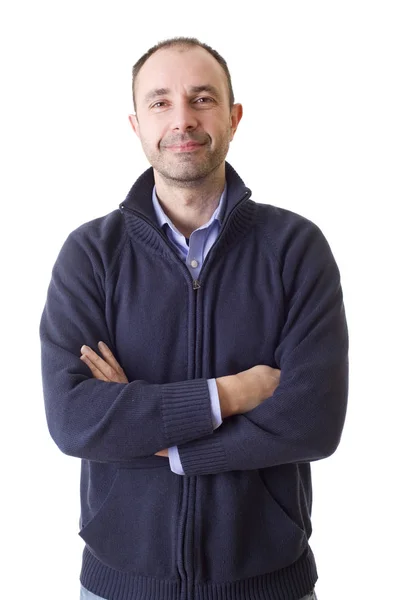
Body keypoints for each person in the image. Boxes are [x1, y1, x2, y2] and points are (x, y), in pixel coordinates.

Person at [39, 36, 348, 600]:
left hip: (269, 586)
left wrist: (163, 441)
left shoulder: (295, 248)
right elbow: (73, 418)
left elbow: (313, 421)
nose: (183, 119)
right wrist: (233, 393)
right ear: (136, 125)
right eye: (160, 102)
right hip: (119, 588)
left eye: (202, 98)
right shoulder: (90, 254)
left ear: (232, 117)